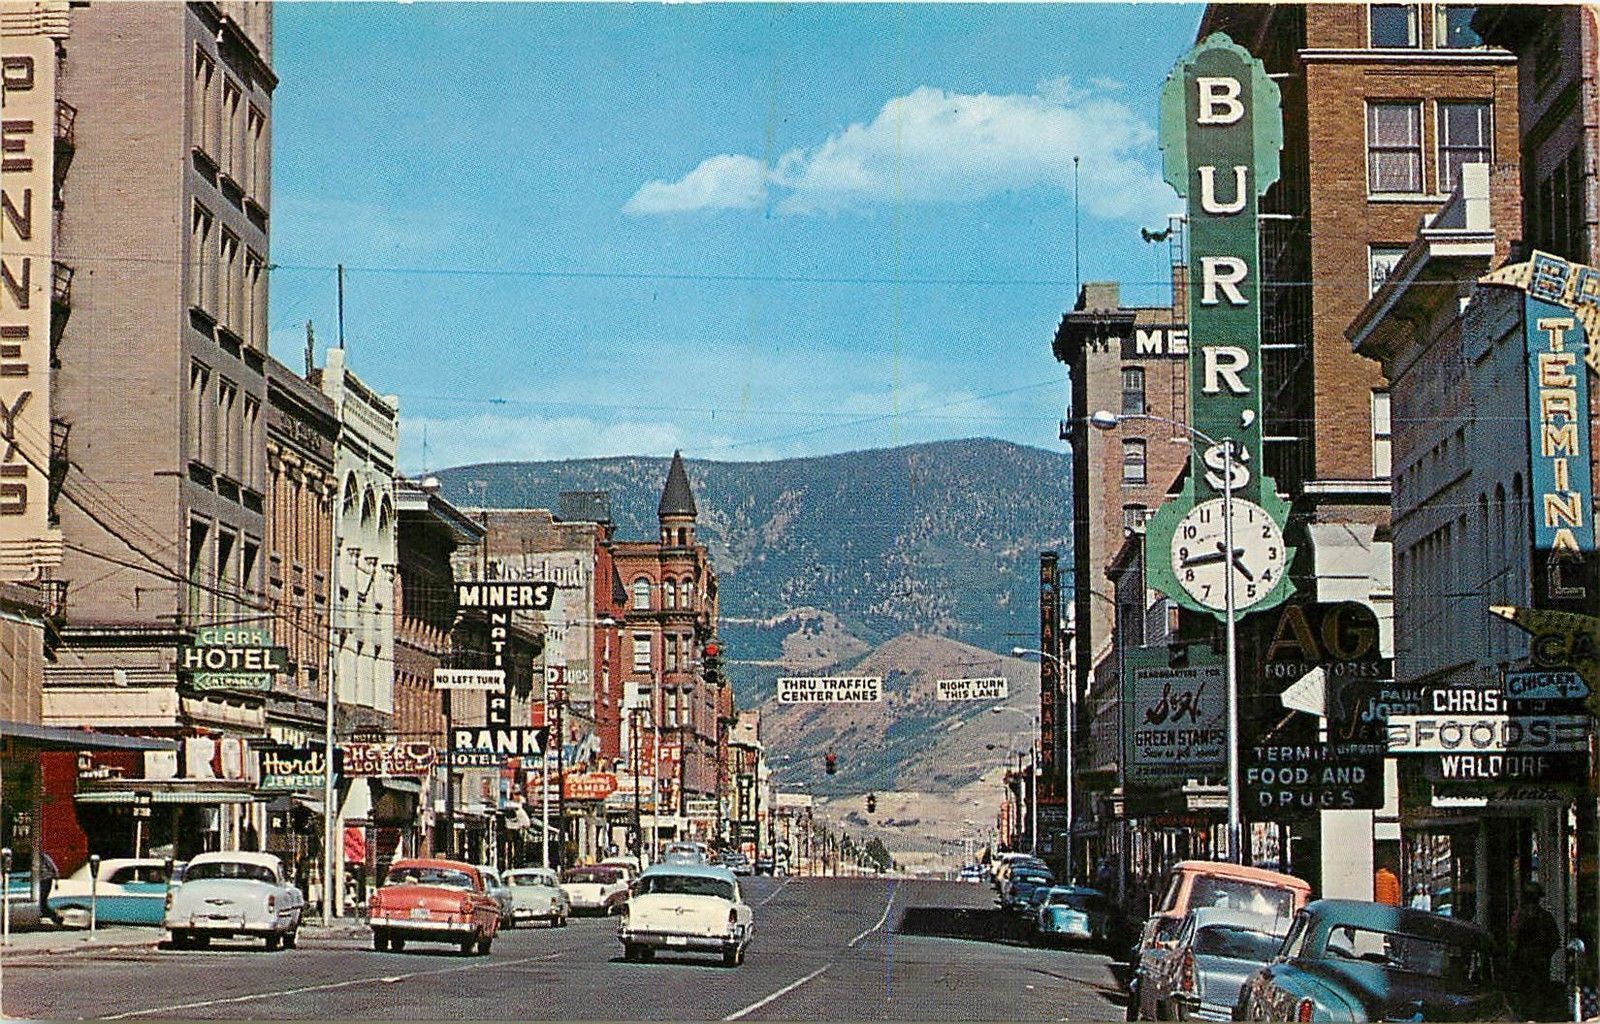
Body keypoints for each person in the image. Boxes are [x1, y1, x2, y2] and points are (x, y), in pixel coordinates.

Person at [1510, 882, 1561, 1020]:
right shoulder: (1526, 917)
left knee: (1534, 992)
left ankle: (1533, 1015)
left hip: (1534, 962)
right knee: (1530, 992)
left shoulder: (1540, 917)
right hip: (1530, 963)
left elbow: (1554, 941)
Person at [38, 852, 63, 925]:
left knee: (42, 899)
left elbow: (52, 865)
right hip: (40, 880)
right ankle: (49, 916)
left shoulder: (43, 857)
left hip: (46, 879)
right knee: (42, 900)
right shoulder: (36, 857)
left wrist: (56, 877)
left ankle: (54, 916)